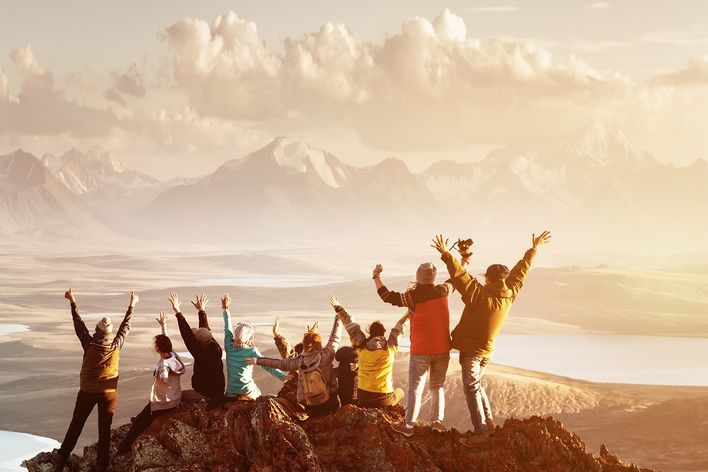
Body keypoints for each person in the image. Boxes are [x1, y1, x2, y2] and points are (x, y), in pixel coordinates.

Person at [432, 231, 552, 445]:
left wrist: (445, 253)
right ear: (503, 279)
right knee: (476, 385)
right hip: (488, 351)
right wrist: (534, 249)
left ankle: (481, 433)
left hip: (473, 352)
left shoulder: (479, 294)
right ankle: (488, 422)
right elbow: (521, 271)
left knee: (471, 388)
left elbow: (460, 276)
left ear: (488, 278)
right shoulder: (510, 293)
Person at [52, 289, 137, 472]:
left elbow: (78, 323)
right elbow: (125, 327)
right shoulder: (116, 346)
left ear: (97, 330)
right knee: (104, 431)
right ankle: (102, 465)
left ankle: (61, 457)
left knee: (77, 424)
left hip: (88, 392)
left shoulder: (89, 343)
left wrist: (72, 301)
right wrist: (132, 305)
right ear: (109, 332)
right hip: (109, 394)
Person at [373, 263, 453, 436]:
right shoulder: (444, 290)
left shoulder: (411, 297)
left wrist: (376, 277)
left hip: (421, 350)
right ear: (433, 277)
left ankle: (409, 426)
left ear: (418, 277)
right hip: (442, 348)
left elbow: (386, 296)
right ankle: (437, 422)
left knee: (415, 389)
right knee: (437, 385)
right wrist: (463, 260)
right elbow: (456, 279)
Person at [247, 298, 342, 417]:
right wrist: (339, 313)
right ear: (319, 344)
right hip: (330, 402)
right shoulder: (325, 356)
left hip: (310, 405)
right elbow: (335, 338)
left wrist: (257, 360)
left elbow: (278, 364)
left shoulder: (299, 361)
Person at [117, 312, 185, 454]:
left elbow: (163, 371)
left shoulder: (164, 364)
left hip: (164, 403)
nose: (153, 346)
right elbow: (166, 343)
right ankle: (143, 418)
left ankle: (122, 450)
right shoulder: (173, 355)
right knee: (143, 415)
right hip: (174, 398)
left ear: (158, 348)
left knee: (137, 425)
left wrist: (164, 378)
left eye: (155, 344)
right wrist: (163, 325)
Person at [335, 295, 407, 408]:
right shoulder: (390, 347)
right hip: (384, 398)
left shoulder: (361, 345)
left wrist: (339, 309)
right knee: (400, 392)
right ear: (383, 333)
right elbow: (399, 327)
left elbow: (352, 327)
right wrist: (409, 313)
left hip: (363, 396)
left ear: (370, 332)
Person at [222, 293, 286, 399]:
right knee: (259, 395)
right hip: (248, 391)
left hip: (231, 392)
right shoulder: (251, 351)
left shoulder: (229, 346)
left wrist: (225, 308)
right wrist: (284, 377)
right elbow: (267, 366)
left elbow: (227, 327)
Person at [169, 292, 225, 405]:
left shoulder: (200, 354)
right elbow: (205, 330)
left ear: (199, 343)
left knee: (175, 397)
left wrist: (177, 311)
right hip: (218, 393)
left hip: (205, 395)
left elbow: (187, 335)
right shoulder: (215, 347)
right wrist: (201, 310)